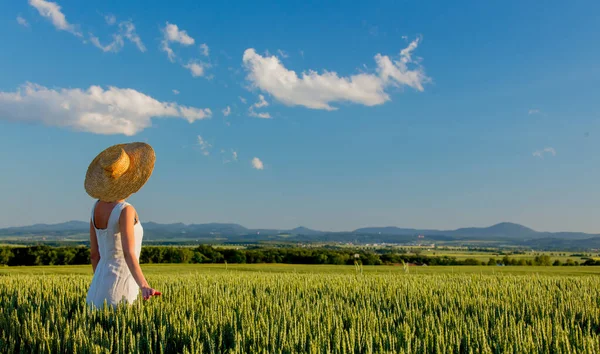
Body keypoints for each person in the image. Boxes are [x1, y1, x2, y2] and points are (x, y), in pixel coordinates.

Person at [84, 142, 161, 308]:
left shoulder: (95, 208)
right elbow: (128, 253)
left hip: (96, 289)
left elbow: (94, 255)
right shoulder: (125, 210)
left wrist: (100, 281)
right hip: (121, 287)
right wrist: (144, 285)